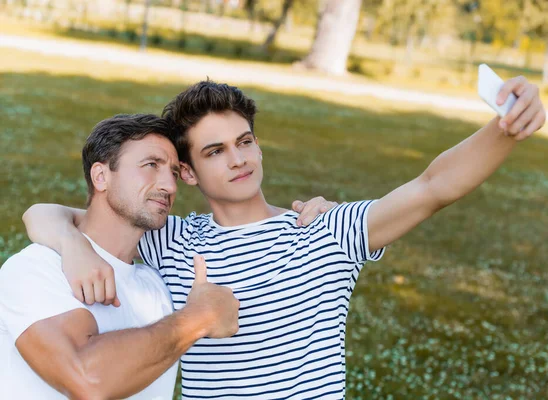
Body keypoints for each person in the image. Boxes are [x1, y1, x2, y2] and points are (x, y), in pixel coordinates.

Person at [24, 77, 546, 399]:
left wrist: (506, 127)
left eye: (245, 141)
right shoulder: (169, 240)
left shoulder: (323, 231)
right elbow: (53, 215)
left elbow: (433, 187)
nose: (239, 159)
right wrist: (71, 247)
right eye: (215, 152)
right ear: (186, 174)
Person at [2, 113, 331, 399]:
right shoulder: (36, 269)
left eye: (173, 172)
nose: (169, 186)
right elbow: (87, 381)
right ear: (101, 176)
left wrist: (306, 221)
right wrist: (195, 319)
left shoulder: (157, 288)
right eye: (151, 166)